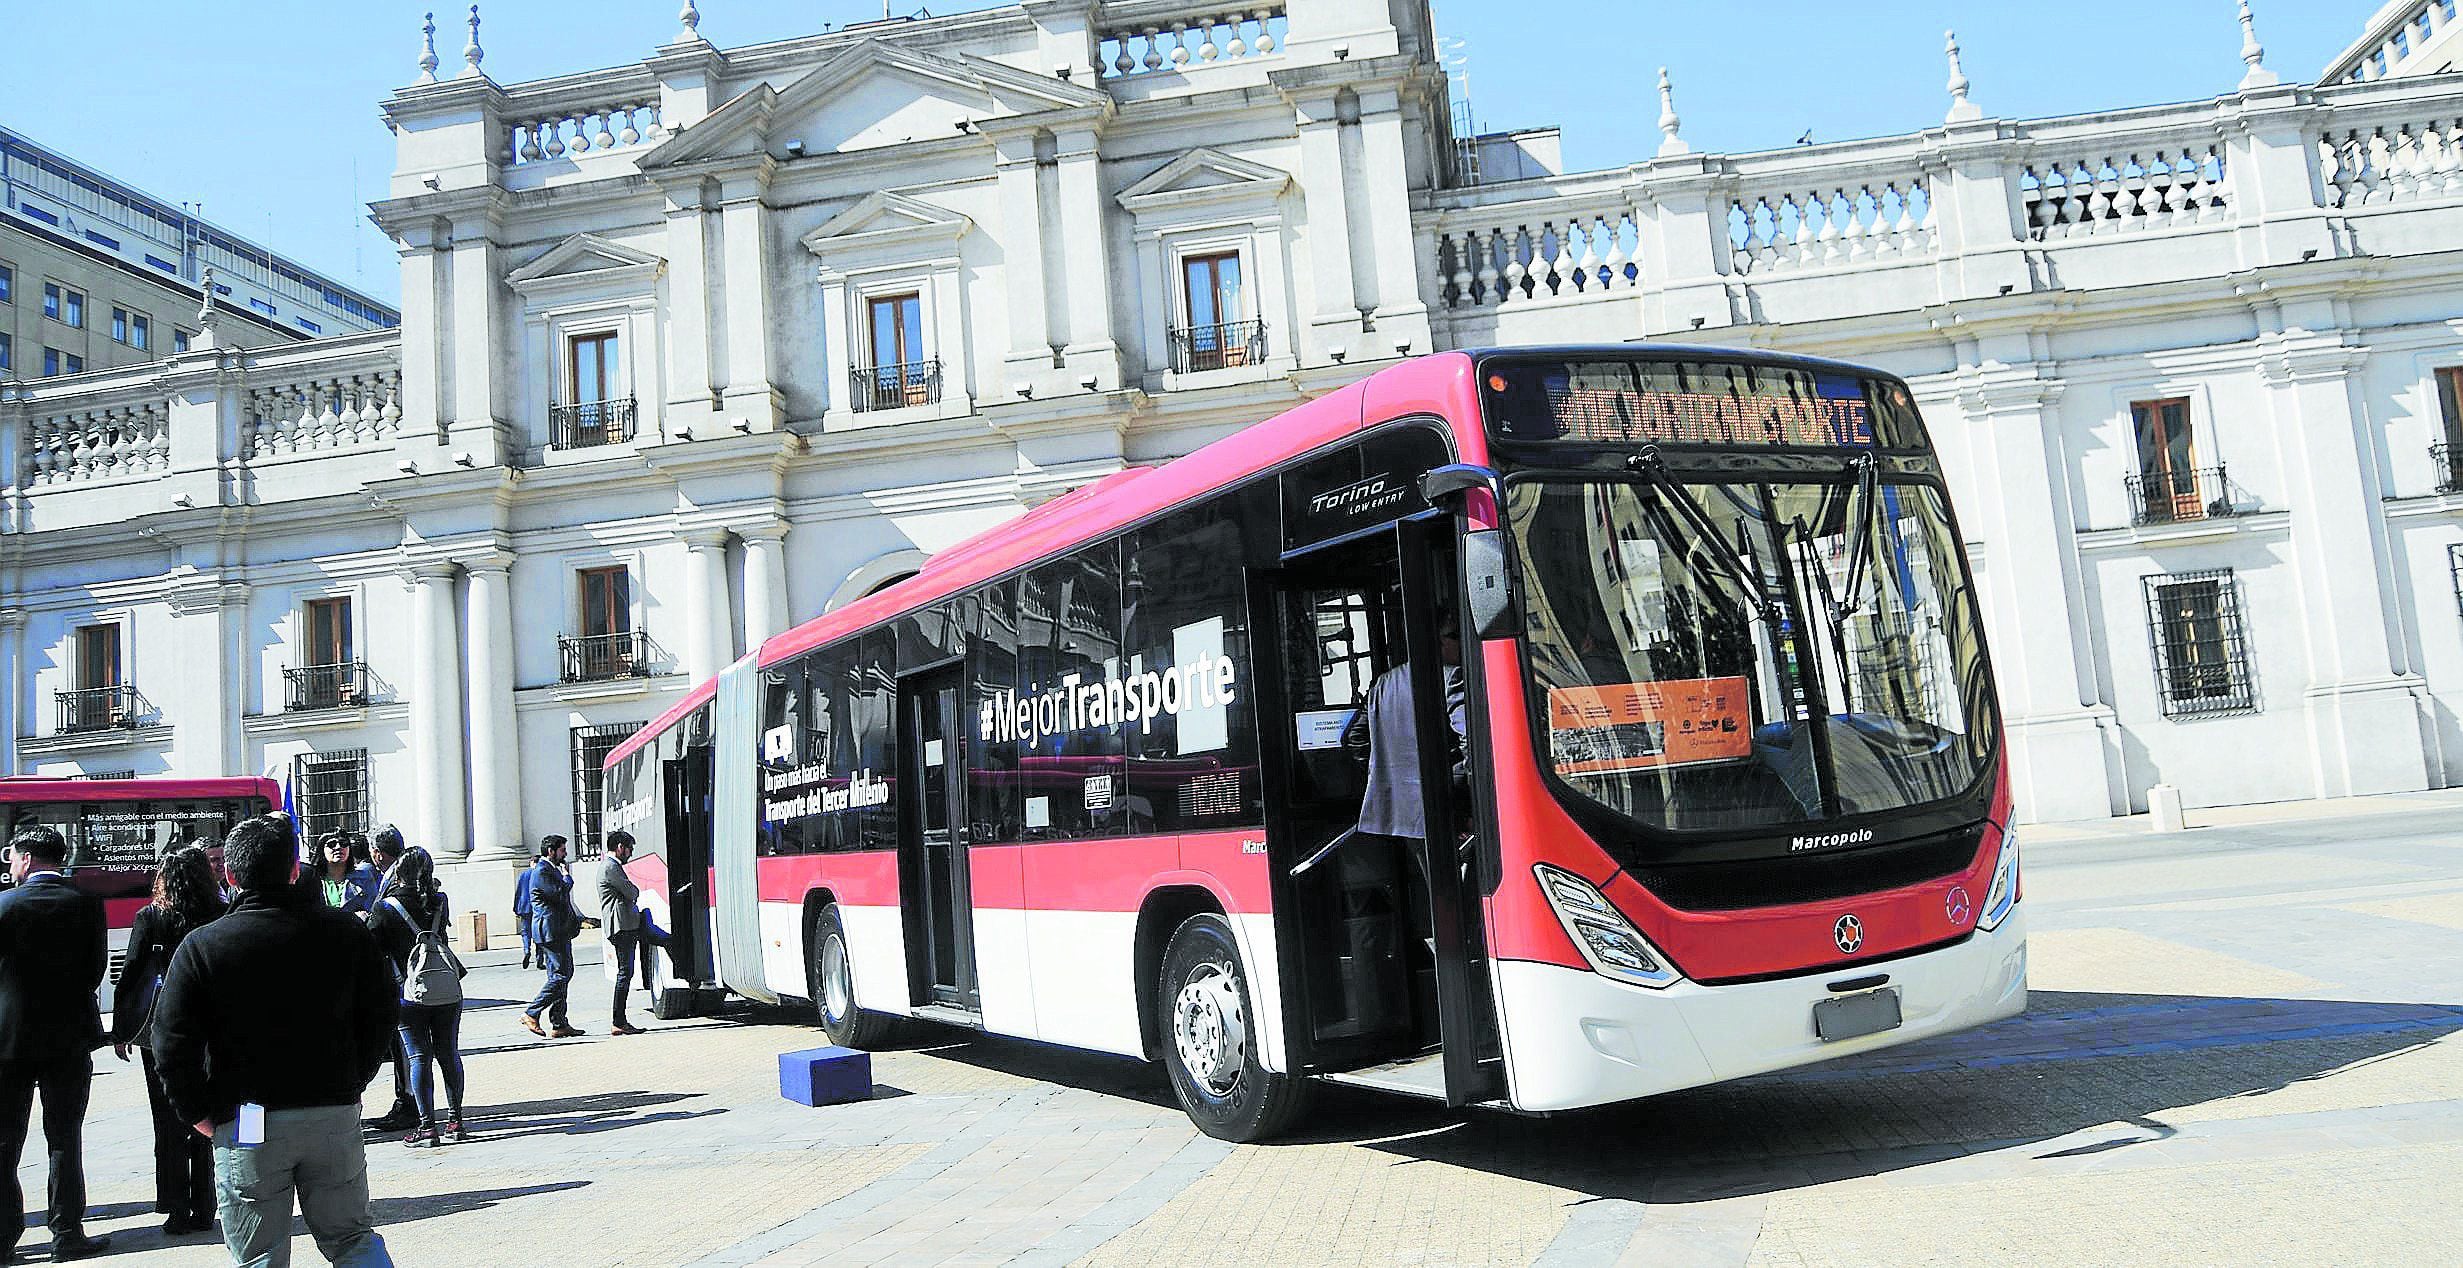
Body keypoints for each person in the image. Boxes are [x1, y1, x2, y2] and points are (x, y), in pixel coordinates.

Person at [151, 813, 398, 1267]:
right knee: (352, 1239)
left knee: (259, 1254)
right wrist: (354, 1078)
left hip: (247, 1113)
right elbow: (382, 1015)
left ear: (229, 874)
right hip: (330, 1106)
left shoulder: (203, 946)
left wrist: (197, 1112)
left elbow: (171, 1044)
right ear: (294, 870)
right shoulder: (345, 932)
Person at [0, 825, 111, 1261]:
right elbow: (94, 970)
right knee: (64, 1137)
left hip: (8, 1040)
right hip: (68, 1039)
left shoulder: (4, 905)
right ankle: (66, 1232)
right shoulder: (86, 904)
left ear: (26, 858)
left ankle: (4, 1238)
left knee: (5, 1140)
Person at [111, 844, 227, 1238]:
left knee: (168, 1117)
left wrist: (123, 1030)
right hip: (212, 1026)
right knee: (210, 1113)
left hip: (163, 1028)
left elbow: (131, 975)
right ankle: (208, 1202)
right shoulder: (219, 913)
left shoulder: (151, 917)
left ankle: (176, 1206)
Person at [370, 848, 467, 1148]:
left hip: (407, 991)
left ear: (398, 872)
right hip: (445, 986)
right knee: (448, 1053)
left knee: (418, 1056)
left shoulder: (386, 907)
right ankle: (455, 1121)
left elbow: (373, 946)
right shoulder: (440, 900)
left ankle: (427, 1127)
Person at [361, 825, 419, 1134]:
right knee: (428, 1049)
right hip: (427, 979)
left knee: (405, 1046)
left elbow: (376, 935)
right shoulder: (428, 890)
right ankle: (442, 1111)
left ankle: (409, 1105)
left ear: (377, 853)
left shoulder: (392, 894)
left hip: (400, 978)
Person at [596, 831, 670, 1035]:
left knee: (662, 939)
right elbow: (631, 891)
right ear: (620, 847)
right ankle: (618, 1021)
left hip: (628, 924)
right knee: (625, 973)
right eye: (629, 849)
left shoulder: (611, 866)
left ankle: (619, 1020)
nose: (630, 854)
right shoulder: (611, 867)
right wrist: (633, 891)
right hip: (622, 926)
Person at [522, 836, 584, 1039]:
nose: (565, 854)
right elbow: (558, 893)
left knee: (560, 974)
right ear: (551, 851)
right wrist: (567, 877)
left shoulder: (549, 869)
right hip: (550, 931)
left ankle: (559, 1023)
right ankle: (532, 1012)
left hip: (557, 930)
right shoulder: (542, 870)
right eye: (562, 850)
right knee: (561, 975)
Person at [301, 829, 380, 916]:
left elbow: (373, 911)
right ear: (322, 849)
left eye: (343, 843)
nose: (338, 847)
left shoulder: (365, 878)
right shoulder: (311, 879)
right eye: (332, 844)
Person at [512, 860, 537, 971]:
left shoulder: (523, 874)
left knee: (525, 932)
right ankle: (539, 960)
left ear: (531, 862)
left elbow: (518, 891)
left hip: (524, 907)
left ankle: (527, 950)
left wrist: (516, 907)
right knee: (537, 933)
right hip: (536, 907)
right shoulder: (539, 873)